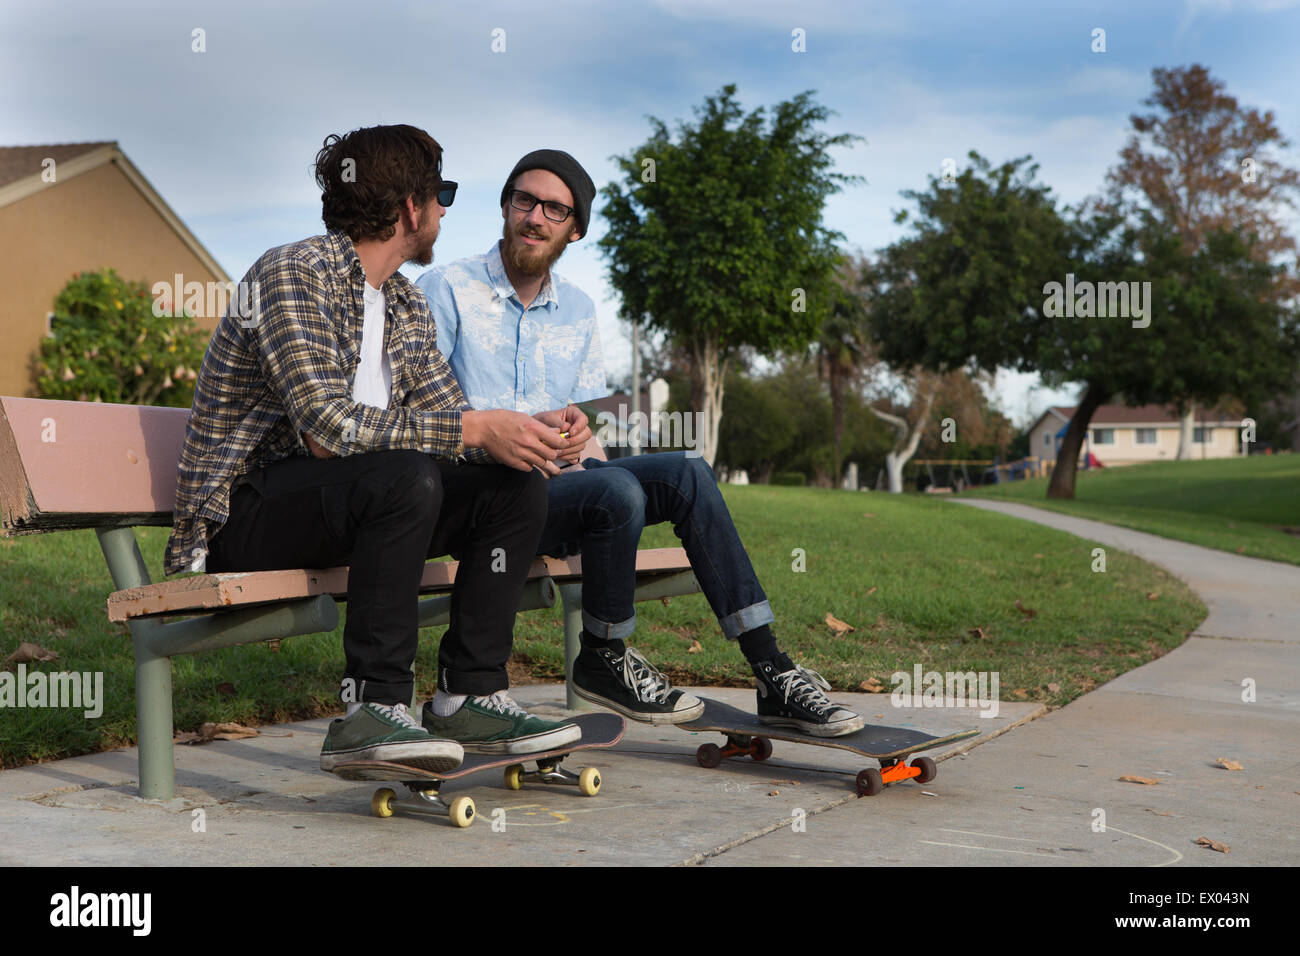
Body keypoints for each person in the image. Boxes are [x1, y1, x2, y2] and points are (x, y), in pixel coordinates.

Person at [164, 126, 581, 778]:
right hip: (247, 515)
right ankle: (371, 707)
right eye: (442, 193)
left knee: (511, 486)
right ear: (412, 207)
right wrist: (473, 429)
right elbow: (325, 430)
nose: (446, 210)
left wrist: (525, 431)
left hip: (360, 507)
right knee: (406, 475)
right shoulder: (293, 272)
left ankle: (469, 695)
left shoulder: (405, 304)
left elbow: (452, 424)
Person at [416, 149, 865, 738]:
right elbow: (420, 417)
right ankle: (604, 654)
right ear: (505, 206)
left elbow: (585, 439)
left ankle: (771, 670)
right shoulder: (446, 288)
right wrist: (506, 436)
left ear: (575, 229)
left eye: (555, 209)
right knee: (615, 491)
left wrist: (581, 439)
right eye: (525, 200)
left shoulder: (578, 310)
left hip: (561, 494)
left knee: (686, 472)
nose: (535, 217)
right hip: (482, 500)